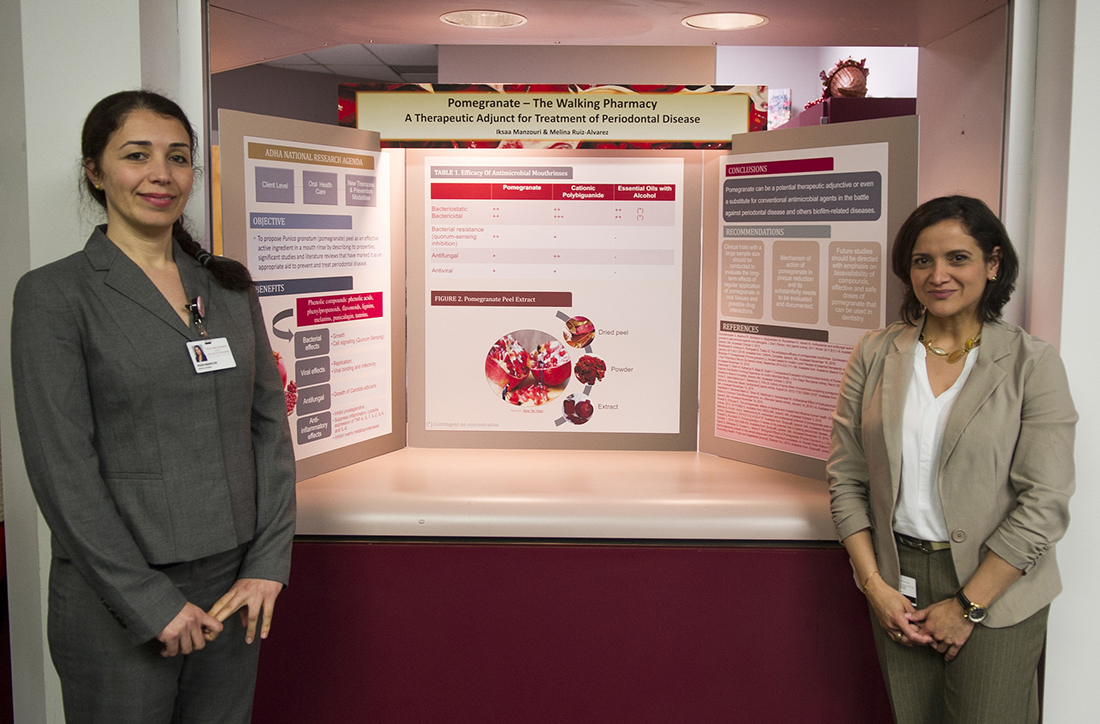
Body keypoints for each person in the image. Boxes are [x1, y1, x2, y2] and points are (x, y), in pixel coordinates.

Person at [10, 90, 296, 723]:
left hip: (234, 589)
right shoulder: (55, 295)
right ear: (95, 171)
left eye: (178, 157)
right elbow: (62, 471)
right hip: (119, 597)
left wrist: (268, 566)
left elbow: (269, 432)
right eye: (136, 155)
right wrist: (148, 602)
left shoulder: (225, 286)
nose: (161, 175)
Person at [827, 195, 1076, 724]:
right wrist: (875, 587)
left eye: (957, 258)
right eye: (923, 260)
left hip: (998, 587)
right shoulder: (874, 354)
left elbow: (1045, 504)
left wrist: (967, 607)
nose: (938, 274)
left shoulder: (1033, 364)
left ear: (992, 264)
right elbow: (847, 481)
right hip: (898, 585)